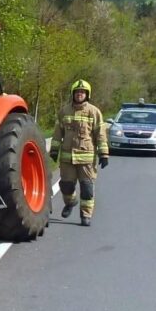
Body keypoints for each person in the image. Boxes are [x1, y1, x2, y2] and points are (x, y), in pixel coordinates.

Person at [51, 78, 108, 227]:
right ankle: (71, 202)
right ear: (73, 94)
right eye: (77, 92)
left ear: (87, 94)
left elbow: (100, 134)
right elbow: (57, 133)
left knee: (87, 189)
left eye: (82, 92)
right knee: (66, 186)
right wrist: (54, 150)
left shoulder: (94, 112)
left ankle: (86, 215)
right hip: (67, 158)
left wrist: (104, 154)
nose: (80, 94)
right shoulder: (64, 111)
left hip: (87, 160)